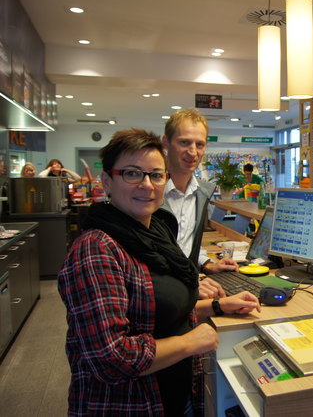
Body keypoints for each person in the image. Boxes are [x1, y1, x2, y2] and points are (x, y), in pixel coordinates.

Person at [58, 128, 261, 416]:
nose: (147, 184)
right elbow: (111, 358)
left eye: (156, 175)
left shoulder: (155, 233)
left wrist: (216, 306)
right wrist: (190, 342)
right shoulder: (96, 250)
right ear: (107, 181)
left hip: (177, 395)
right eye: (131, 173)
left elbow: (157, 312)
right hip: (132, 405)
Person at [161, 108, 236, 299]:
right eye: (184, 142)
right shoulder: (149, 193)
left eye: (199, 144)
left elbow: (184, 246)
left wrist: (206, 264)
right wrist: (190, 283)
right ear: (166, 143)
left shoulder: (202, 193)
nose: (193, 152)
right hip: (162, 294)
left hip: (188, 287)